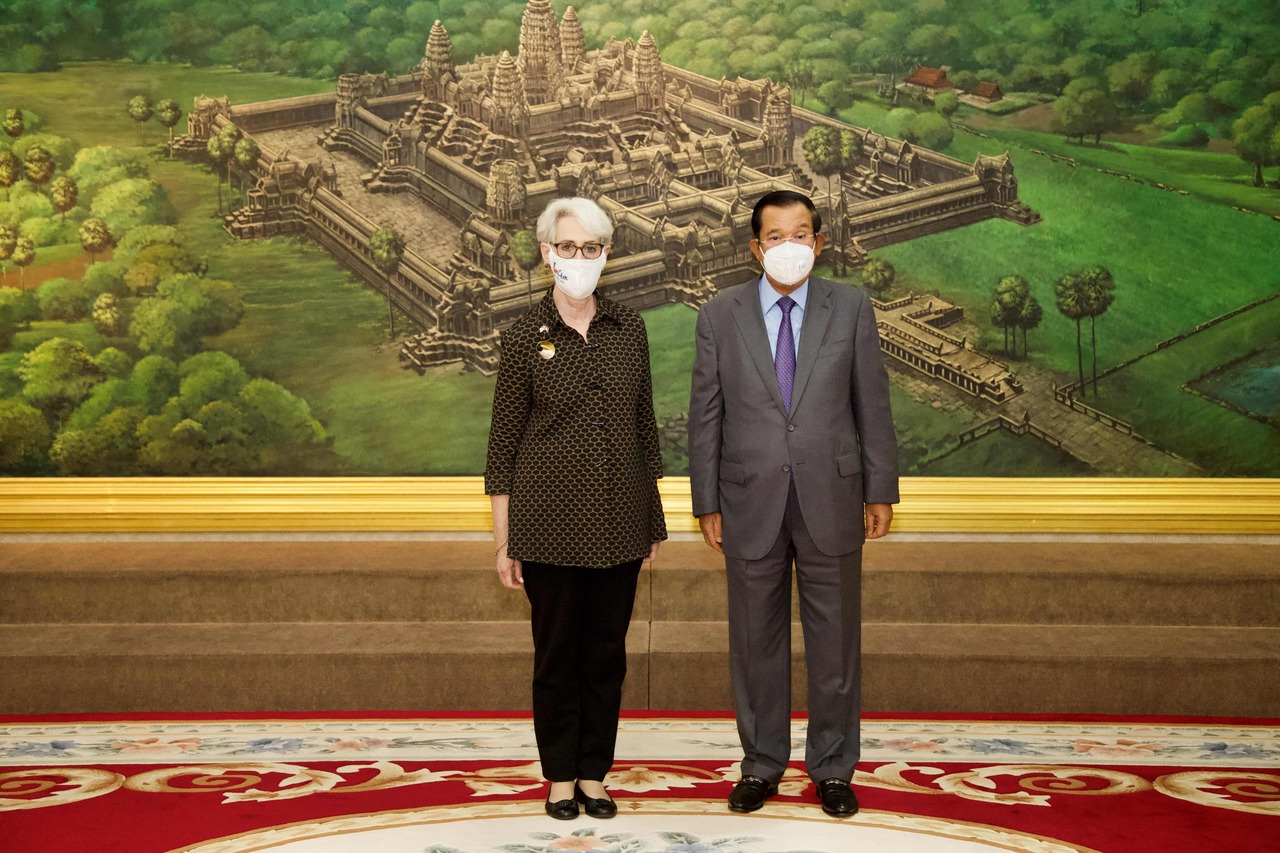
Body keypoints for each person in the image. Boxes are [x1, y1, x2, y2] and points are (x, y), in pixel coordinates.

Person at [687, 190, 899, 818]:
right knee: (756, 641)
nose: (789, 246)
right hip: (746, 500)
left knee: (835, 642)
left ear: (819, 243)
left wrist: (880, 488)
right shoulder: (718, 315)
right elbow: (706, 415)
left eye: (801, 234)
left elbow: (872, 404)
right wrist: (706, 501)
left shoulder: (851, 308)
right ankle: (761, 764)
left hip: (833, 495)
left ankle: (833, 768)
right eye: (775, 236)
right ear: (756, 248)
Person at [486, 196, 668, 821]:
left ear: (606, 254)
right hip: (547, 529)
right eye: (568, 247)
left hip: (621, 523)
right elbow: (503, 447)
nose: (579, 257)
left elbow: (644, 429)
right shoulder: (522, 337)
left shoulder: (629, 329)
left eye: (591, 248)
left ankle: (594, 774)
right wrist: (503, 540)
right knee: (557, 656)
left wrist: (652, 519)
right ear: (547, 254)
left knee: (606, 655)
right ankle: (560, 776)